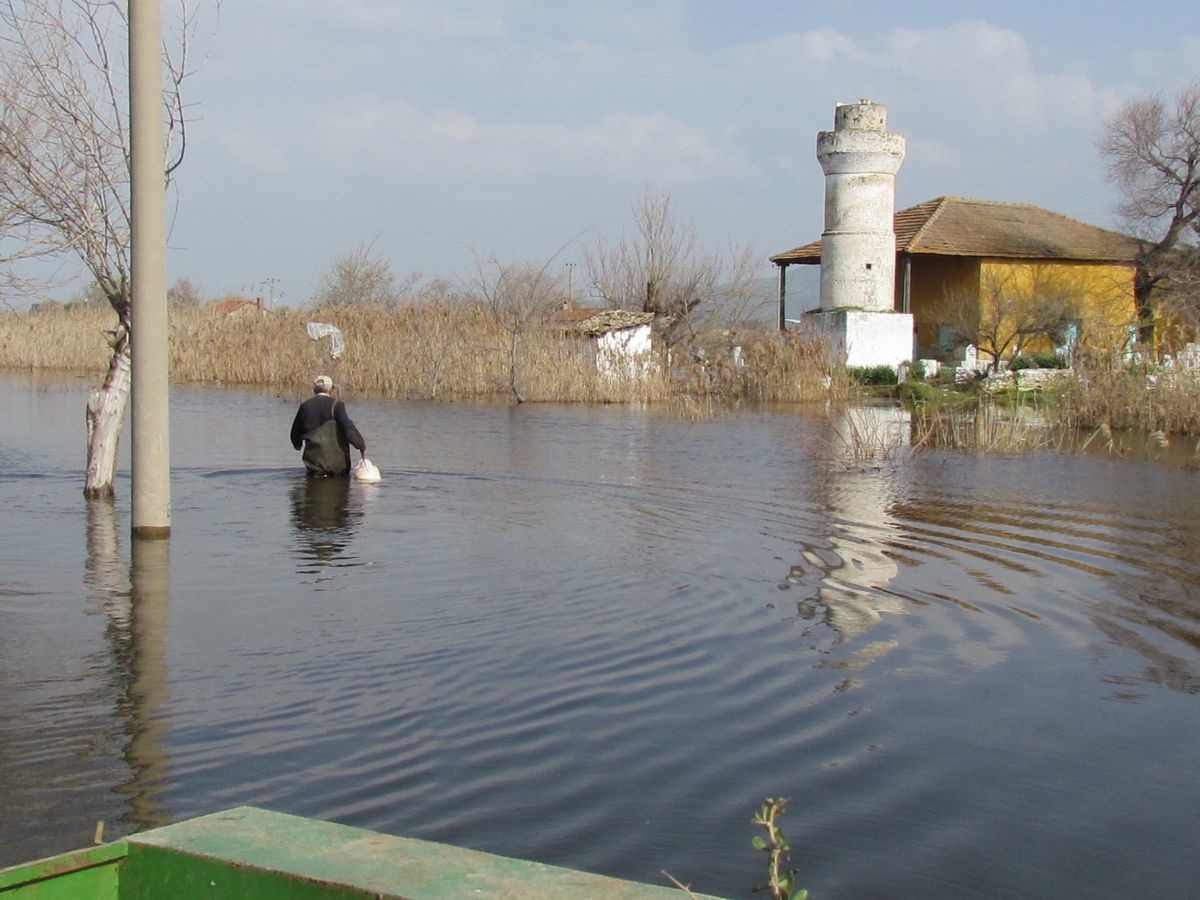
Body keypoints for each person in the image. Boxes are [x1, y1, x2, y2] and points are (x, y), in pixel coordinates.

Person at [290, 375, 367, 477]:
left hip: (314, 465)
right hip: (337, 466)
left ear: (314, 389)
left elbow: (295, 433)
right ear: (330, 390)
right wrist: (360, 445)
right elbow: (348, 429)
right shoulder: (337, 405)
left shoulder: (305, 406)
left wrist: (297, 445)